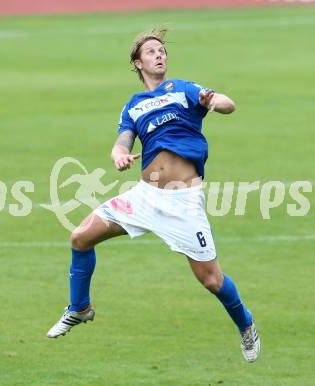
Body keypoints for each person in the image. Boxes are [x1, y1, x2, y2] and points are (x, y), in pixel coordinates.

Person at [47, 28, 260, 363]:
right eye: (151, 51)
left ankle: (246, 324)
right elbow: (122, 142)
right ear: (138, 62)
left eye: (162, 50)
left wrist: (214, 102)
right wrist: (118, 155)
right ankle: (80, 307)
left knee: (211, 280)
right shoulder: (133, 105)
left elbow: (228, 103)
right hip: (144, 197)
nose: (159, 55)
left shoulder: (184, 90)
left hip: (182, 202)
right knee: (80, 237)